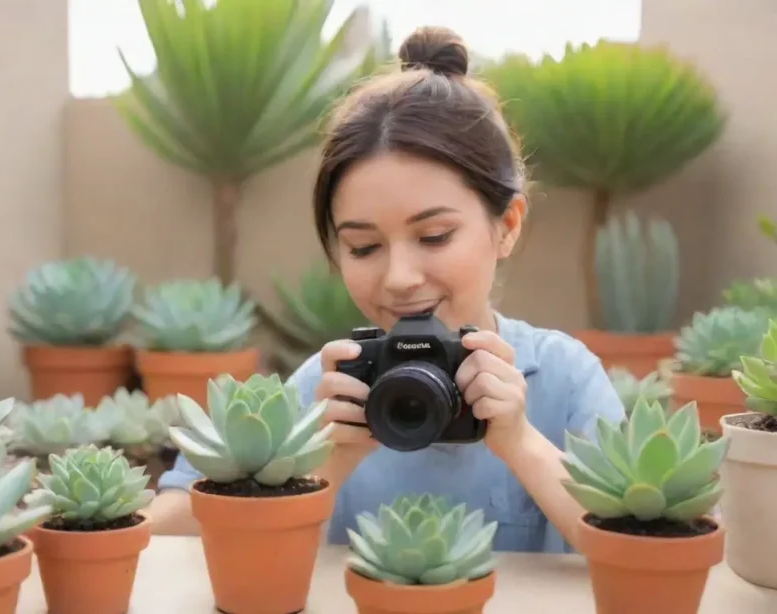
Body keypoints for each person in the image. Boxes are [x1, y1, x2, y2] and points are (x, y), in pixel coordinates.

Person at [148, 25, 625, 553]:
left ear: (507, 225)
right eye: (363, 247)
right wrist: (326, 461)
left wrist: (520, 443)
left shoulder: (562, 380)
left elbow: (651, 553)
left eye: (434, 236)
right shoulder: (320, 392)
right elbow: (166, 532)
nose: (399, 277)